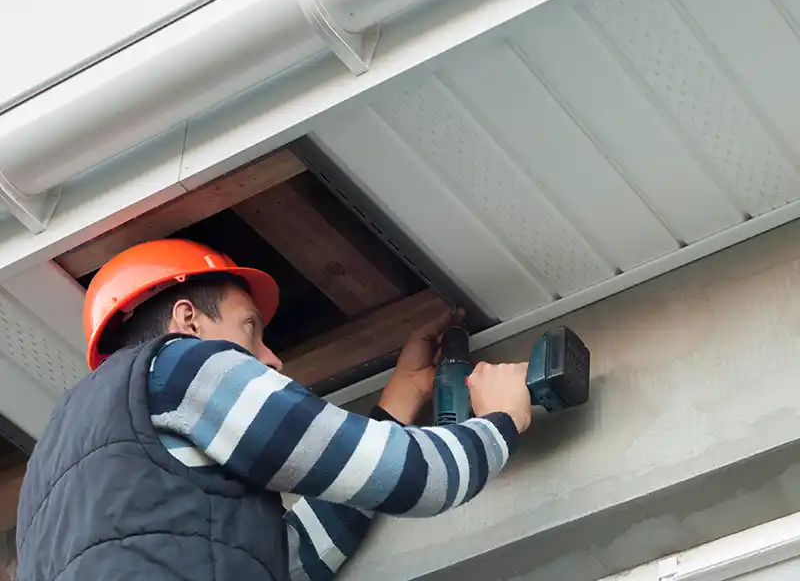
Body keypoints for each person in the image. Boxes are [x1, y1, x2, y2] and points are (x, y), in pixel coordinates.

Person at [15, 238, 533, 581]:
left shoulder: (47, 485)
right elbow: (420, 481)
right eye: (250, 328)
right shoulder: (179, 366)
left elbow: (282, 561)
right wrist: (499, 421)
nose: (271, 357)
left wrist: (398, 401)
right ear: (188, 321)